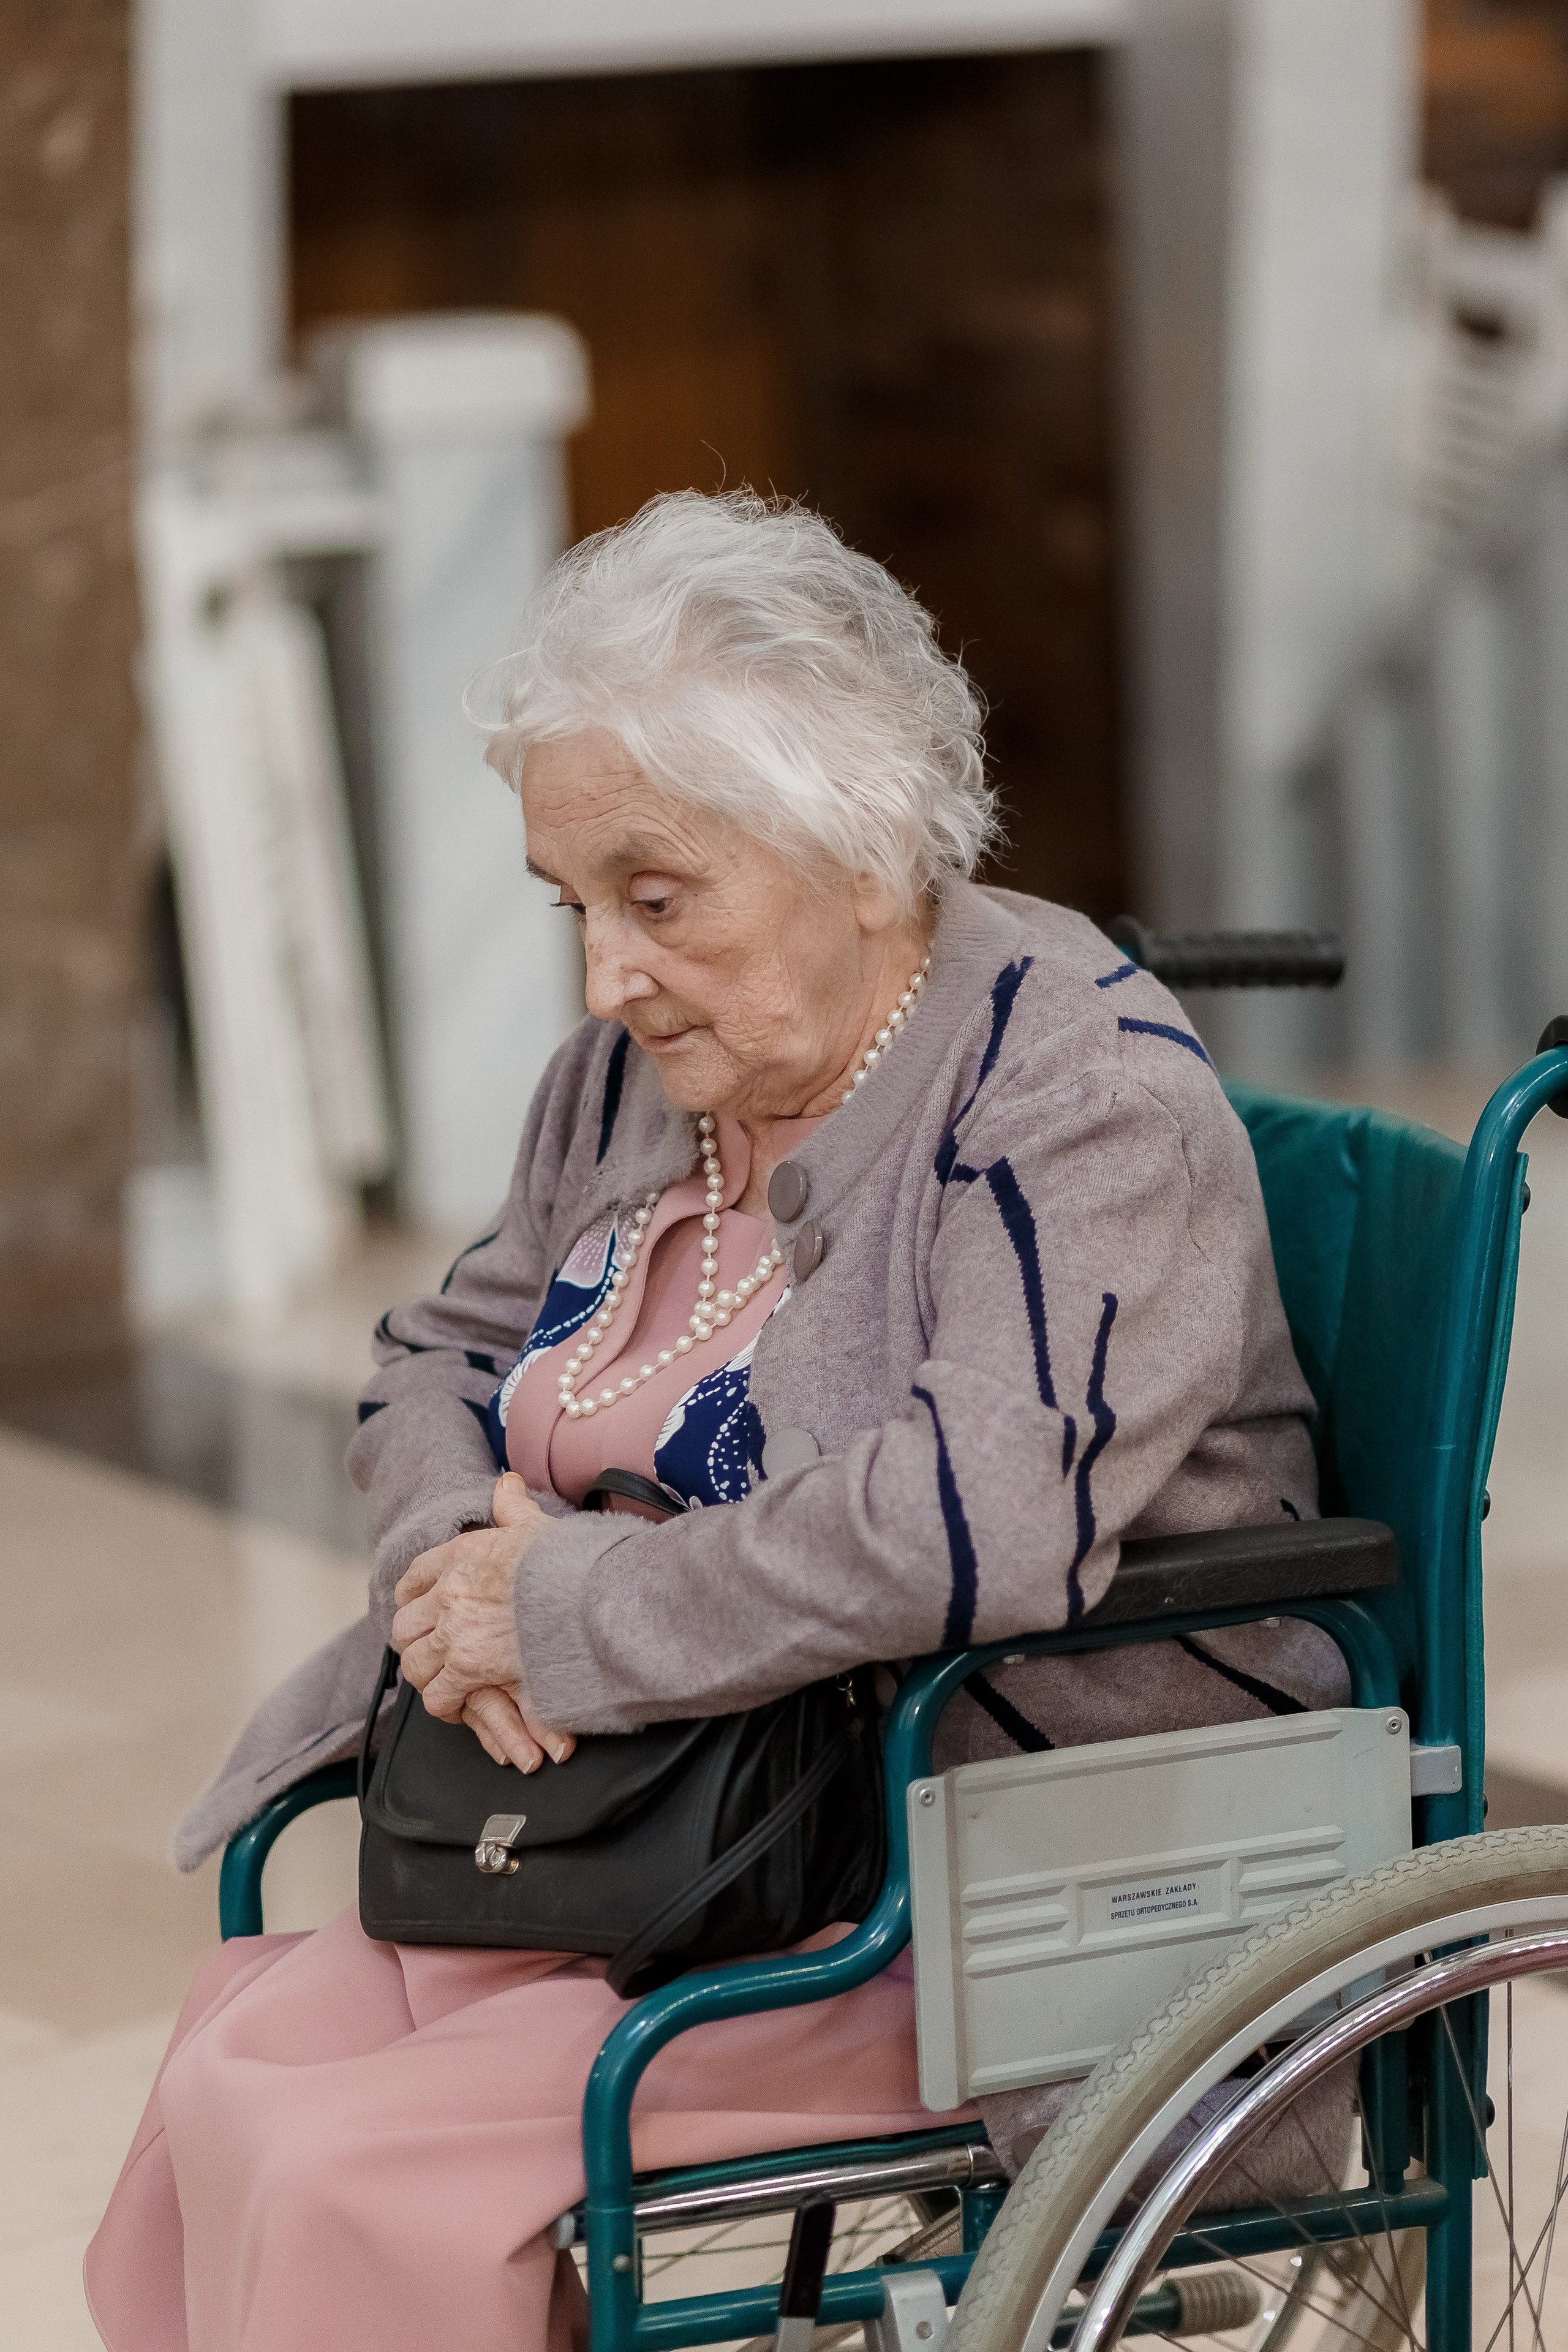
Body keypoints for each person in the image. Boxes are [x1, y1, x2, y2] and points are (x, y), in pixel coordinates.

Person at [86, 491, 1343, 2352]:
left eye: (653, 898)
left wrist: (575, 1616)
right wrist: (456, 1579)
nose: (601, 978)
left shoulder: (1078, 1100)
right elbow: (430, 1359)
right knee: (235, 2064)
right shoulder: (633, 1075)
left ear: (856, 838)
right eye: (574, 906)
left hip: (942, 1866)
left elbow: (975, 1519)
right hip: (647, 1820)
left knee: (357, 2165)